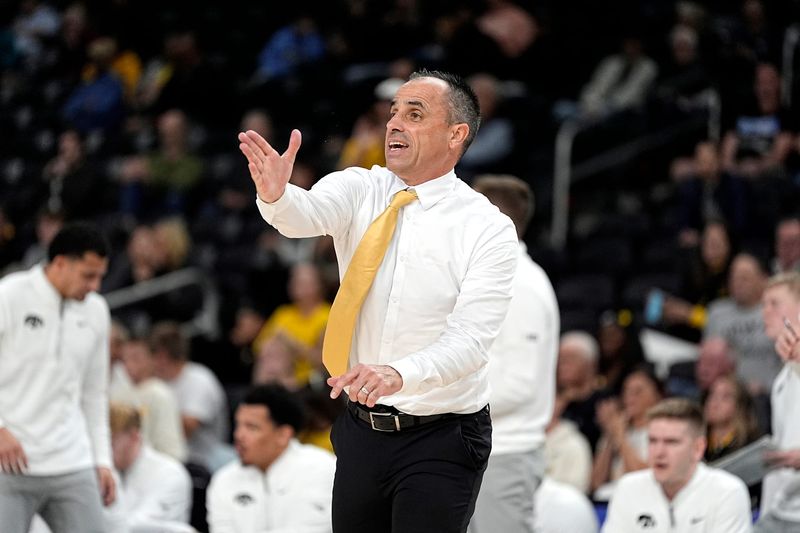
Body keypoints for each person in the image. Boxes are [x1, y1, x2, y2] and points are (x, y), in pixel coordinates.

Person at [238, 69, 518, 533]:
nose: (393, 124)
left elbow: (471, 342)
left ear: (456, 134)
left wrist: (398, 372)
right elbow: (303, 214)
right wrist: (276, 196)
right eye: (392, 113)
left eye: (414, 114)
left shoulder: (486, 227)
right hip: (360, 427)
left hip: (442, 435)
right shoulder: (359, 186)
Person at [0, 222, 115, 533]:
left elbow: (94, 393)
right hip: (8, 464)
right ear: (61, 263)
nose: (95, 286)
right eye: (88, 276)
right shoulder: (9, 296)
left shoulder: (97, 311)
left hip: (71, 460)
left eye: (100, 277)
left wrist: (102, 459)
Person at [468, 174, 559, 533]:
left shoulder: (520, 284)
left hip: (505, 453)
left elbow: (519, 385)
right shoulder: (494, 277)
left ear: (493, 218)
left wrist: (446, 401)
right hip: (479, 449)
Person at [601, 398, 752, 533]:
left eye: (671, 442)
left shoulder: (727, 492)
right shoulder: (628, 489)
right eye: (653, 441)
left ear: (698, 448)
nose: (659, 452)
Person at [206, 383, 336, 533]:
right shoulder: (224, 479)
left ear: (283, 435)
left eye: (251, 427)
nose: (238, 435)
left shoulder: (324, 469)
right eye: (238, 425)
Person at [109, 402, 193, 529]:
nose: (104, 451)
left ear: (134, 436)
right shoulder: (106, 471)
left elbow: (135, 528)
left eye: (112, 442)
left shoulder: (170, 474)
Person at [760, 272, 800, 531]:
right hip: (783, 510)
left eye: (775, 303)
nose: (765, 312)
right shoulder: (781, 379)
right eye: (763, 304)